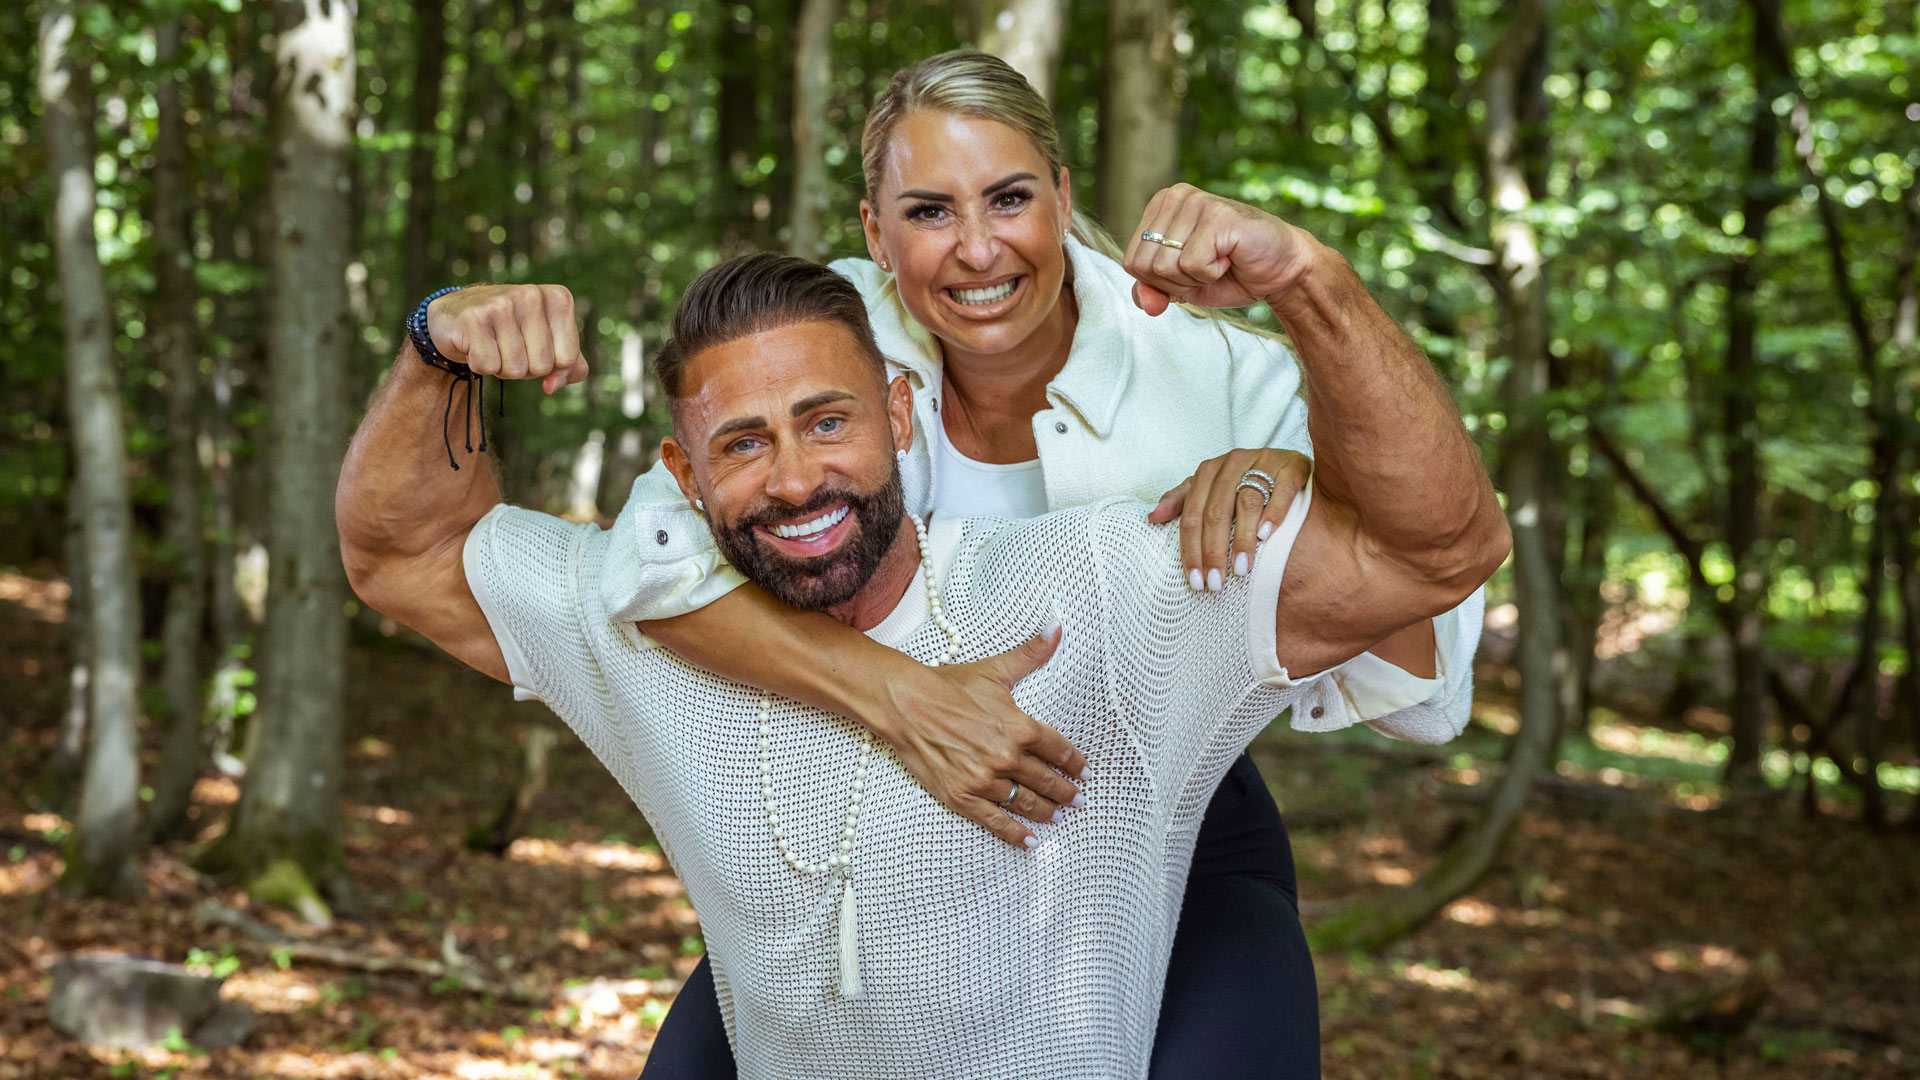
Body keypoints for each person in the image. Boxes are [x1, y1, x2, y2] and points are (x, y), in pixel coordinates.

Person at [335, 250, 1507, 1079]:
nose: (795, 480)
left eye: (827, 419)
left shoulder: (1101, 591)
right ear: (681, 478)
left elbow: (1436, 547)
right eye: (742, 444)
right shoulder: (631, 629)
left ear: (902, 414)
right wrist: (436, 343)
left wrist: (1316, 289)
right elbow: (403, 552)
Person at [582, 52, 1495, 1079]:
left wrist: (1314, 485)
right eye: (928, 212)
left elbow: (1418, 658)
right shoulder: (824, 341)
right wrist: (898, 696)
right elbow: (652, 564)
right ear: (875, 233)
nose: (976, 250)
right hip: (864, 812)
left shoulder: (1221, 372)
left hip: (1171, 829)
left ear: (1061, 198)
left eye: (1009, 198)